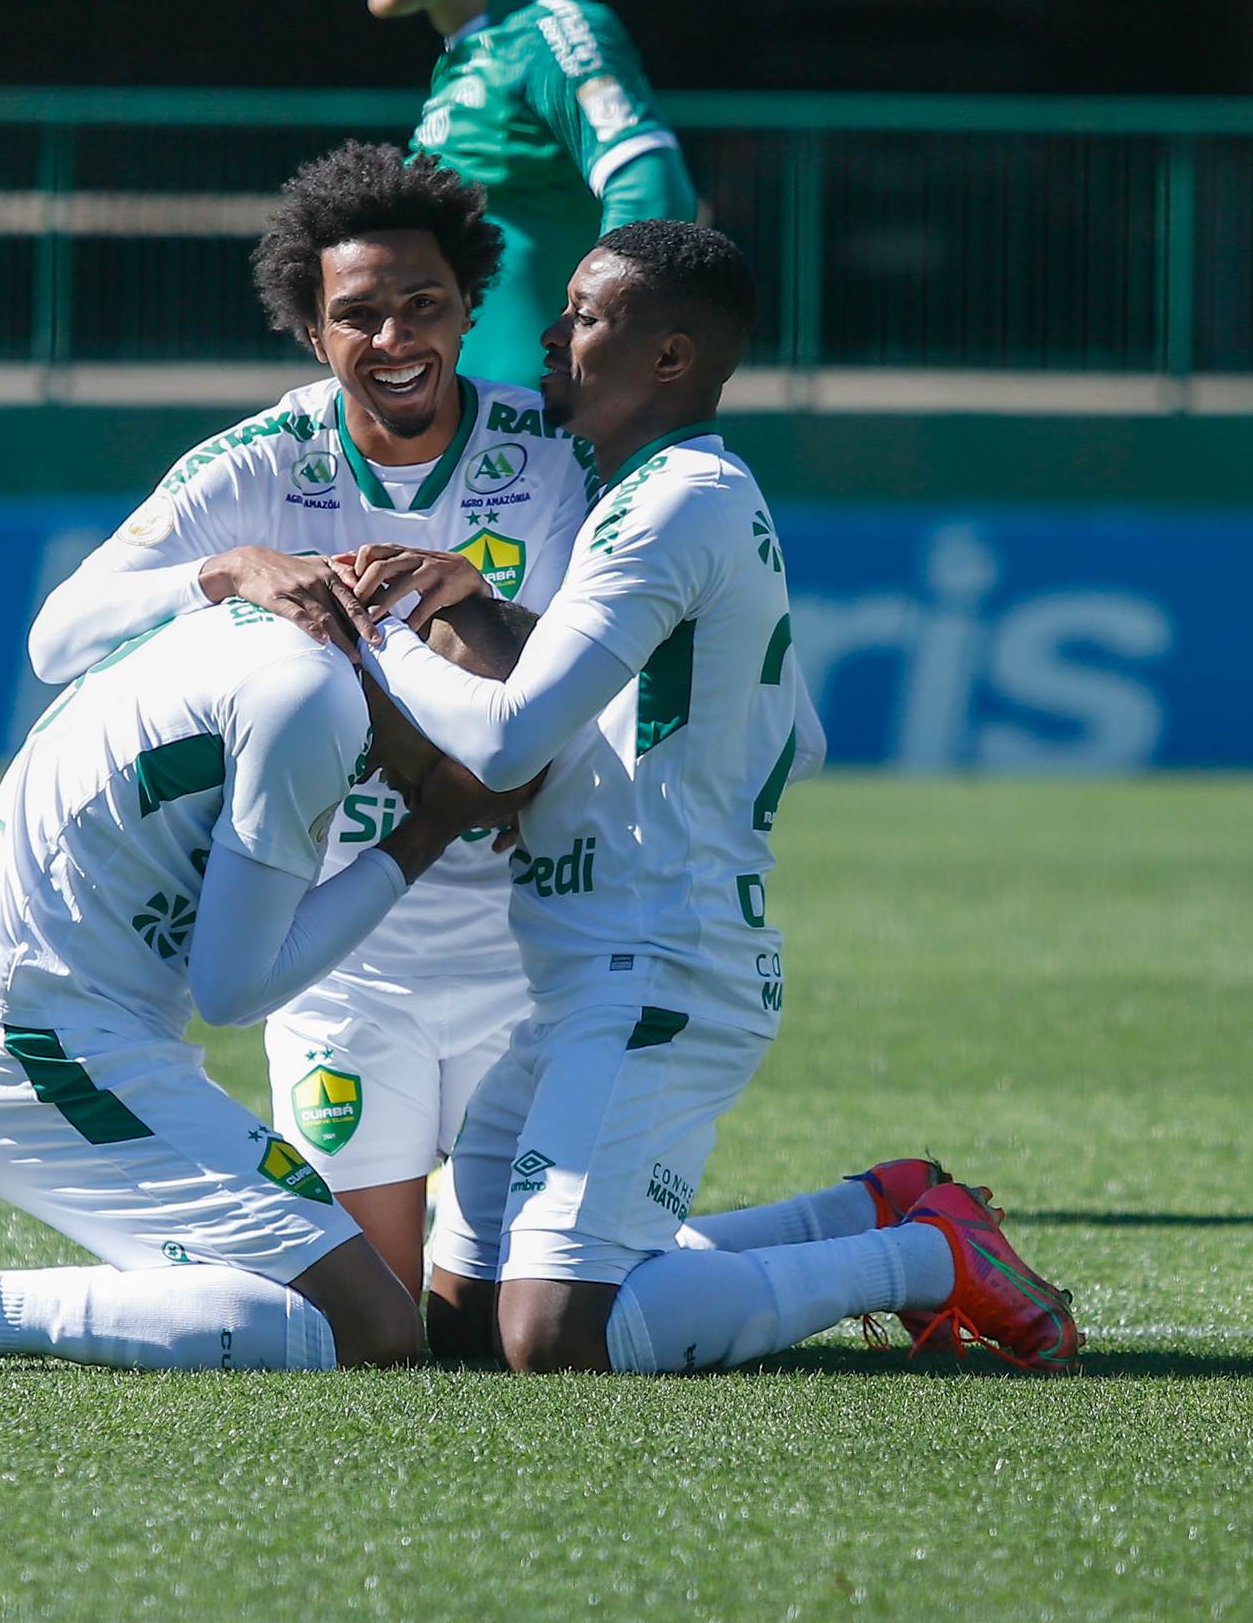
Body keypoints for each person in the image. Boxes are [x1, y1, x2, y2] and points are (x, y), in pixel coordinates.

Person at [353, 221, 1085, 1374]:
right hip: (584, 966)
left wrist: (377, 634)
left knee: (557, 1334)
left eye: (586, 316)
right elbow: (804, 732)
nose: (550, 333)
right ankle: (873, 1207)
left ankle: (928, 1257)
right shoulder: (667, 493)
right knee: (461, 1325)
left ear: (669, 359)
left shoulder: (671, 504)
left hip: (657, 962)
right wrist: (497, 620)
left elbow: (502, 742)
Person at [22, 142, 597, 1299]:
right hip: (345, 955)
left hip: (530, 947)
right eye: (360, 316)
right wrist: (226, 568)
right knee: (372, 1319)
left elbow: (621, 651)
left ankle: (879, 1222)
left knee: (516, 1315)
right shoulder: (264, 460)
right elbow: (57, 637)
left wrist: (480, 606)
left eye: (423, 305)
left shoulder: (553, 453)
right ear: (313, 332)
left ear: (468, 302)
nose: (396, 341)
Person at [0, 594, 537, 1375]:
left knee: (333, 1296)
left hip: (49, 1025)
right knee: (368, 1322)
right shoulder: (313, 701)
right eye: (492, 746)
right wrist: (431, 827)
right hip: (35, 1049)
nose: (491, 774)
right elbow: (232, 990)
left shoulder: (297, 647)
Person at [343, 0, 698, 386]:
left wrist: (601, 359)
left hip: (552, 433)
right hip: (485, 433)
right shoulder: (476, 49)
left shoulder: (551, 31)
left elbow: (652, 190)